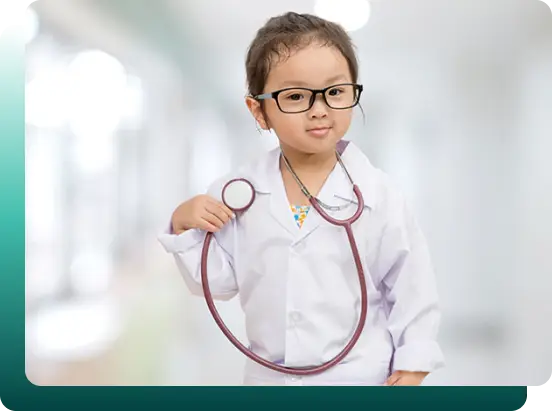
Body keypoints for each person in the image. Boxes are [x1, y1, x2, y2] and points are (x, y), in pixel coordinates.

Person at [158, 11, 445, 386]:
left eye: (336, 91)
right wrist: (184, 225)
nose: (320, 109)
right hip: (270, 380)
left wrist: (414, 361)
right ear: (259, 110)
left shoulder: (378, 193)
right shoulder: (237, 192)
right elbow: (215, 283)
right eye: (295, 96)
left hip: (359, 379)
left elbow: (411, 285)